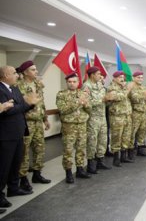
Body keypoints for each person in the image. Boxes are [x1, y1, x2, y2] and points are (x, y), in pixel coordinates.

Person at [0, 66, 37, 212]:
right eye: (14, 73)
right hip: (6, 134)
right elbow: (5, 111)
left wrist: (30, 104)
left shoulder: (14, 89)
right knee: (3, 166)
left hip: (18, 132)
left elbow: (19, 107)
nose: (17, 75)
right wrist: (25, 104)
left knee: (16, 163)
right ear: (5, 75)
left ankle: (13, 188)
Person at [16, 61, 51, 191]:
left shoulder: (38, 85)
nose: (36, 72)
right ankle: (23, 178)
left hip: (38, 122)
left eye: (36, 69)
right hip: (26, 122)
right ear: (25, 72)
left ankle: (37, 173)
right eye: (33, 69)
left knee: (39, 148)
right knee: (24, 151)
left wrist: (45, 119)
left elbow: (42, 104)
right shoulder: (18, 86)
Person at [56, 72, 91, 183]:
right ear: (66, 82)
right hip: (69, 126)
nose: (72, 84)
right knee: (68, 150)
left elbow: (89, 109)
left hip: (82, 125)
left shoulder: (83, 93)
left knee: (81, 148)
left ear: (78, 82)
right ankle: (68, 172)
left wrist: (86, 104)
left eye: (74, 82)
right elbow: (63, 109)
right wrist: (78, 101)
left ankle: (80, 169)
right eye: (69, 82)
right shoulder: (61, 94)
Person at [83, 67, 111, 174]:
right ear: (92, 75)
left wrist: (108, 100)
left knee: (102, 140)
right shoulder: (86, 86)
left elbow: (104, 102)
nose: (100, 76)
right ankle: (91, 164)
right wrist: (102, 99)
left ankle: (100, 161)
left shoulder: (100, 85)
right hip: (92, 118)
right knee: (92, 141)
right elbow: (87, 103)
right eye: (98, 74)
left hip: (102, 117)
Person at [107, 71, 133, 167]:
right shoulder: (111, 87)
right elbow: (117, 97)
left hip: (127, 116)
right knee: (116, 137)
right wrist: (127, 89)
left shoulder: (124, 87)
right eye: (119, 77)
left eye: (123, 77)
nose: (122, 79)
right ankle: (116, 158)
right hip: (117, 117)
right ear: (114, 78)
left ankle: (123, 156)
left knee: (126, 136)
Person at [128, 71, 146, 157]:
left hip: (144, 113)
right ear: (133, 78)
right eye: (138, 77)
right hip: (135, 113)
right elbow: (135, 99)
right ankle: (130, 150)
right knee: (132, 132)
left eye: (142, 77)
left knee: (142, 131)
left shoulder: (143, 87)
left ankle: (140, 148)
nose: (140, 79)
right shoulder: (131, 87)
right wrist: (145, 94)